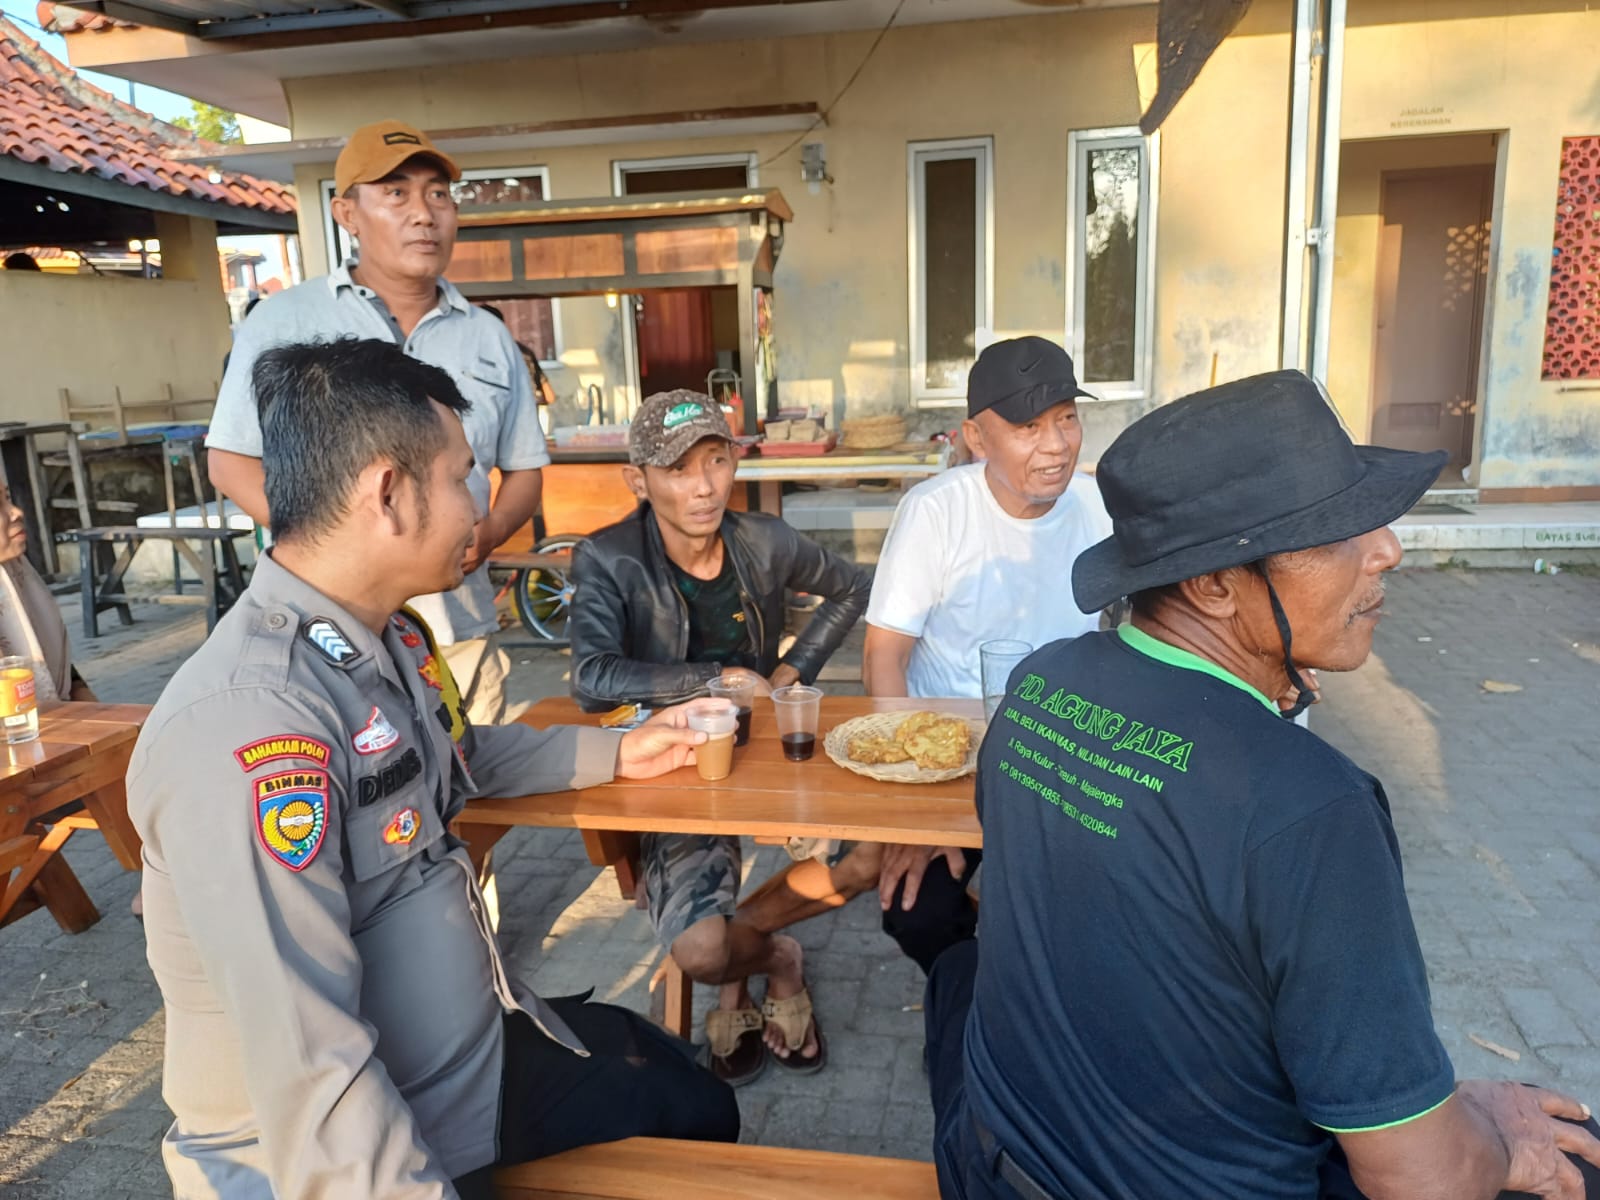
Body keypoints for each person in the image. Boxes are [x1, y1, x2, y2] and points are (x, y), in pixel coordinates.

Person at [927, 369, 1600, 1200]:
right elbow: (1421, 1180)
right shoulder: (1309, 806)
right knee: (1577, 1154)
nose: (1387, 549)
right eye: (1332, 532)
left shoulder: (1037, 683)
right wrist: (1494, 1135)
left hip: (989, 1163)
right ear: (1212, 586)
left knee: (957, 972)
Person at [130, 340, 737, 1200]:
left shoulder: (377, 638)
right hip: (373, 1133)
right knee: (692, 1125)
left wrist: (618, 750)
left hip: (468, 1062)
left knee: (685, 1087)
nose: (480, 506)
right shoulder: (251, 726)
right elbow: (311, 1068)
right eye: (461, 477)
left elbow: (453, 759)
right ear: (387, 494)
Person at [567, 388, 873, 1086]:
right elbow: (591, 677)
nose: (704, 486)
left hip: (768, 750)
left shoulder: (764, 540)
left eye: (716, 460)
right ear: (638, 480)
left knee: (868, 858)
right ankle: (774, 959)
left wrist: (791, 674)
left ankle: (743, 958)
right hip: (672, 762)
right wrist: (720, 678)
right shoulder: (609, 558)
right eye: (678, 469)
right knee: (703, 952)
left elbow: (852, 588)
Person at [205, 119, 546, 726]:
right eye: (396, 193)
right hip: (325, 629)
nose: (424, 214)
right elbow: (230, 461)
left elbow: (525, 469)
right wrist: (334, 547)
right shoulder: (284, 323)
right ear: (347, 213)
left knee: (479, 768)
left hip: (458, 623)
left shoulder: (488, 337)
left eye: (438, 195)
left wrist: (490, 530)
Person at [860, 337, 1111, 974]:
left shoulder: (1099, 508)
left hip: (1060, 755)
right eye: (1028, 427)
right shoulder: (936, 512)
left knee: (1104, 899)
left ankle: (1027, 983)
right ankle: (976, 991)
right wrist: (915, 814)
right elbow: (883, 657)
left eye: (1067, 418)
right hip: (951, 759)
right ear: (976, 437)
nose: (1056, 445)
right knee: (916, 909)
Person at [0, 481, 93, 703]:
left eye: (7, 497)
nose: (16, 512)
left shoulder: (17, 573)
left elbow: (50, 658)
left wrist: (88, 701)